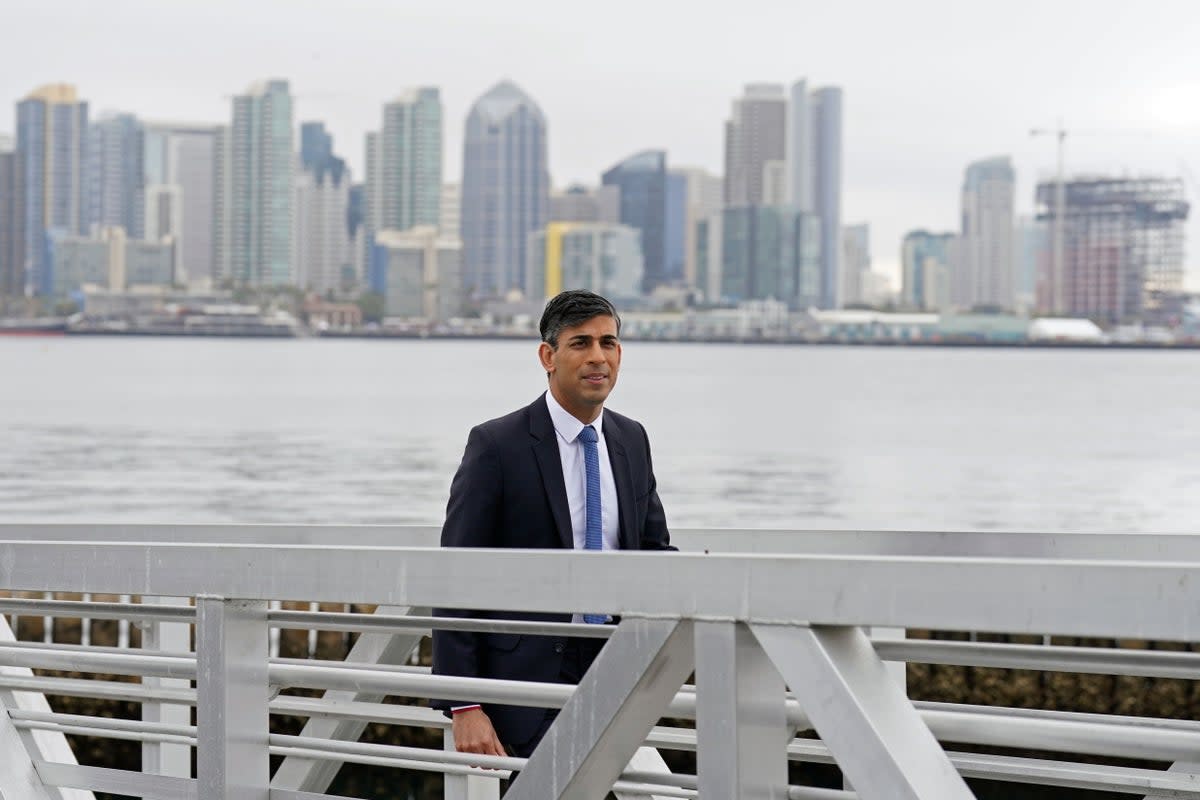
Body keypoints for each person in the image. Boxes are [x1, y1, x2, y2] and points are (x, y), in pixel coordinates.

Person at [431, 289, 674, 761]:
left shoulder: (632, 439)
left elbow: (652, 549)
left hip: (613, 667)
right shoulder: (497, 445)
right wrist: (464, 703)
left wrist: (708, 589)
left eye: (609, 342)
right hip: (527, 681)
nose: (598, 357)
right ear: (548, 355)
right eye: (580, 343)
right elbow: (455, 573)